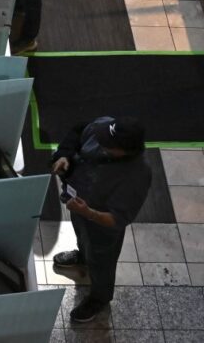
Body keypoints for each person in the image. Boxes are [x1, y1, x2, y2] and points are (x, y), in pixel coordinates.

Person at [50, 116, 152, 323]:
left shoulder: (136, 176)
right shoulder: (103, 129)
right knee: (82, 236)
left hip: (102, 227)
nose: (100, 143)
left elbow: (118, 219)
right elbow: (79, 131)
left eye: (107, 145)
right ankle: (83, 257)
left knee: (102, 262)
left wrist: (89, 213)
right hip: (78, 205)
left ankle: (99, 298)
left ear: (126, 151)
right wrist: (64, 155)